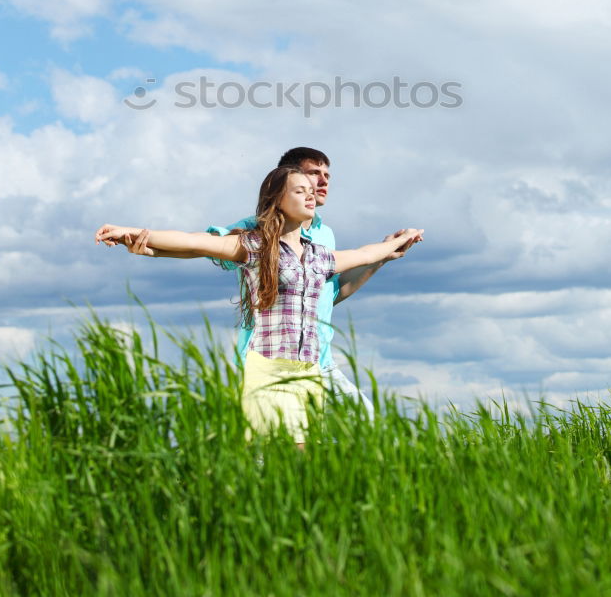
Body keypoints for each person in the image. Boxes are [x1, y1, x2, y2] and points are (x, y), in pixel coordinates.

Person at [95, 166, 423, 446]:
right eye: (300, 190)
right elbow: (195, 242)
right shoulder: (256, 246)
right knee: (269, 459)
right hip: (269, 368)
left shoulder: (319, 255)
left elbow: (365, 255)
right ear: (277, 200)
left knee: (302, 464)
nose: (311, 195)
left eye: (312, 190)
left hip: (308, 370)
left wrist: (396, 242)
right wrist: (134, 233)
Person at [205, 147, 408, 416]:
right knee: (271, 446)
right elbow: (214, 245)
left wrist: (381, 258)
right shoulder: (259, 227)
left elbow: (331, 295)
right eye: (314, 173)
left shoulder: (325, 235)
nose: (323, 181)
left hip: (319, 359)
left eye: (327, 175)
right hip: (270, 359)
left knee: (362, 420)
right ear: (287, 180)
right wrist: (154, 244)